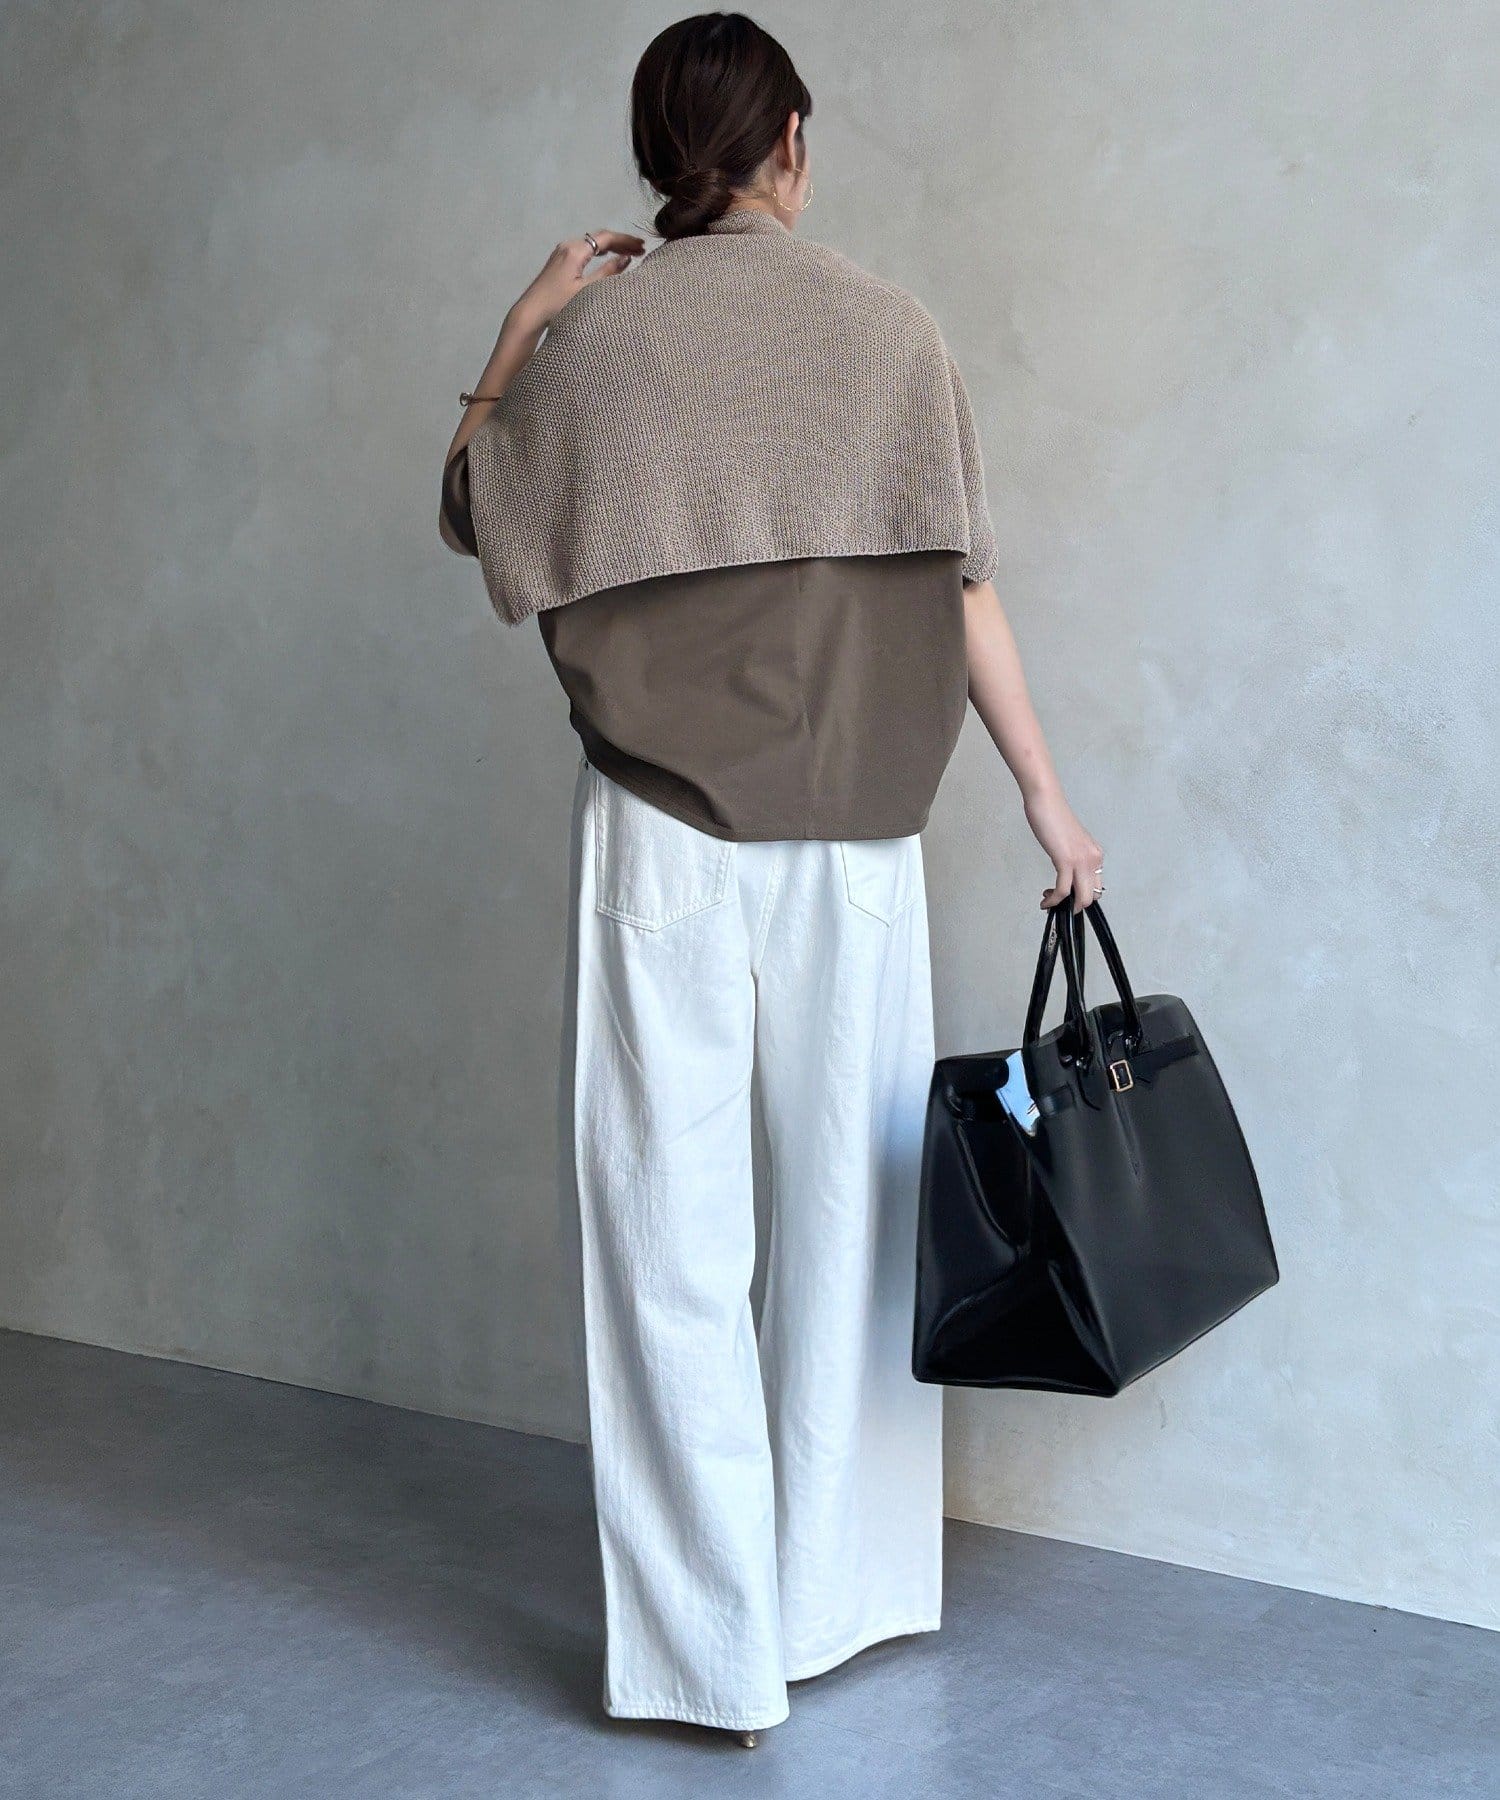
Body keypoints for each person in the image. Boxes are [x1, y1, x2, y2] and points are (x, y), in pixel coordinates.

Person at [439, 11, 1103, 1749]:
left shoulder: (597, 345)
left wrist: (524, 326)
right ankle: (833, 1605)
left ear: (659, 153)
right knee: (853, 1224)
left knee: (663, 1228)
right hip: (858, 840)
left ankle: (707, 1658)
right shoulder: (892, 334)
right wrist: (1047, 801)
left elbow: (482, 517)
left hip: (661, 825)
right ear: (790, 141)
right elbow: (964, 586)